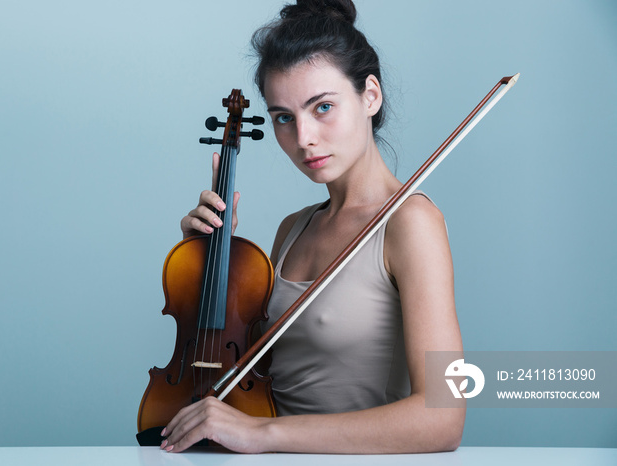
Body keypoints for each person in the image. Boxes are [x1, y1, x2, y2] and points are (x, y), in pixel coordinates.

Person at [161, 0, 464, 454]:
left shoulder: (410, 222)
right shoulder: (293, 230)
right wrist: (206, 258)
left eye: (322, 107)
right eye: (284, 117)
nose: (303, 138)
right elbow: (248, 373)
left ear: (370, 95)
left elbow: (443, 417)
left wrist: (262, 434)